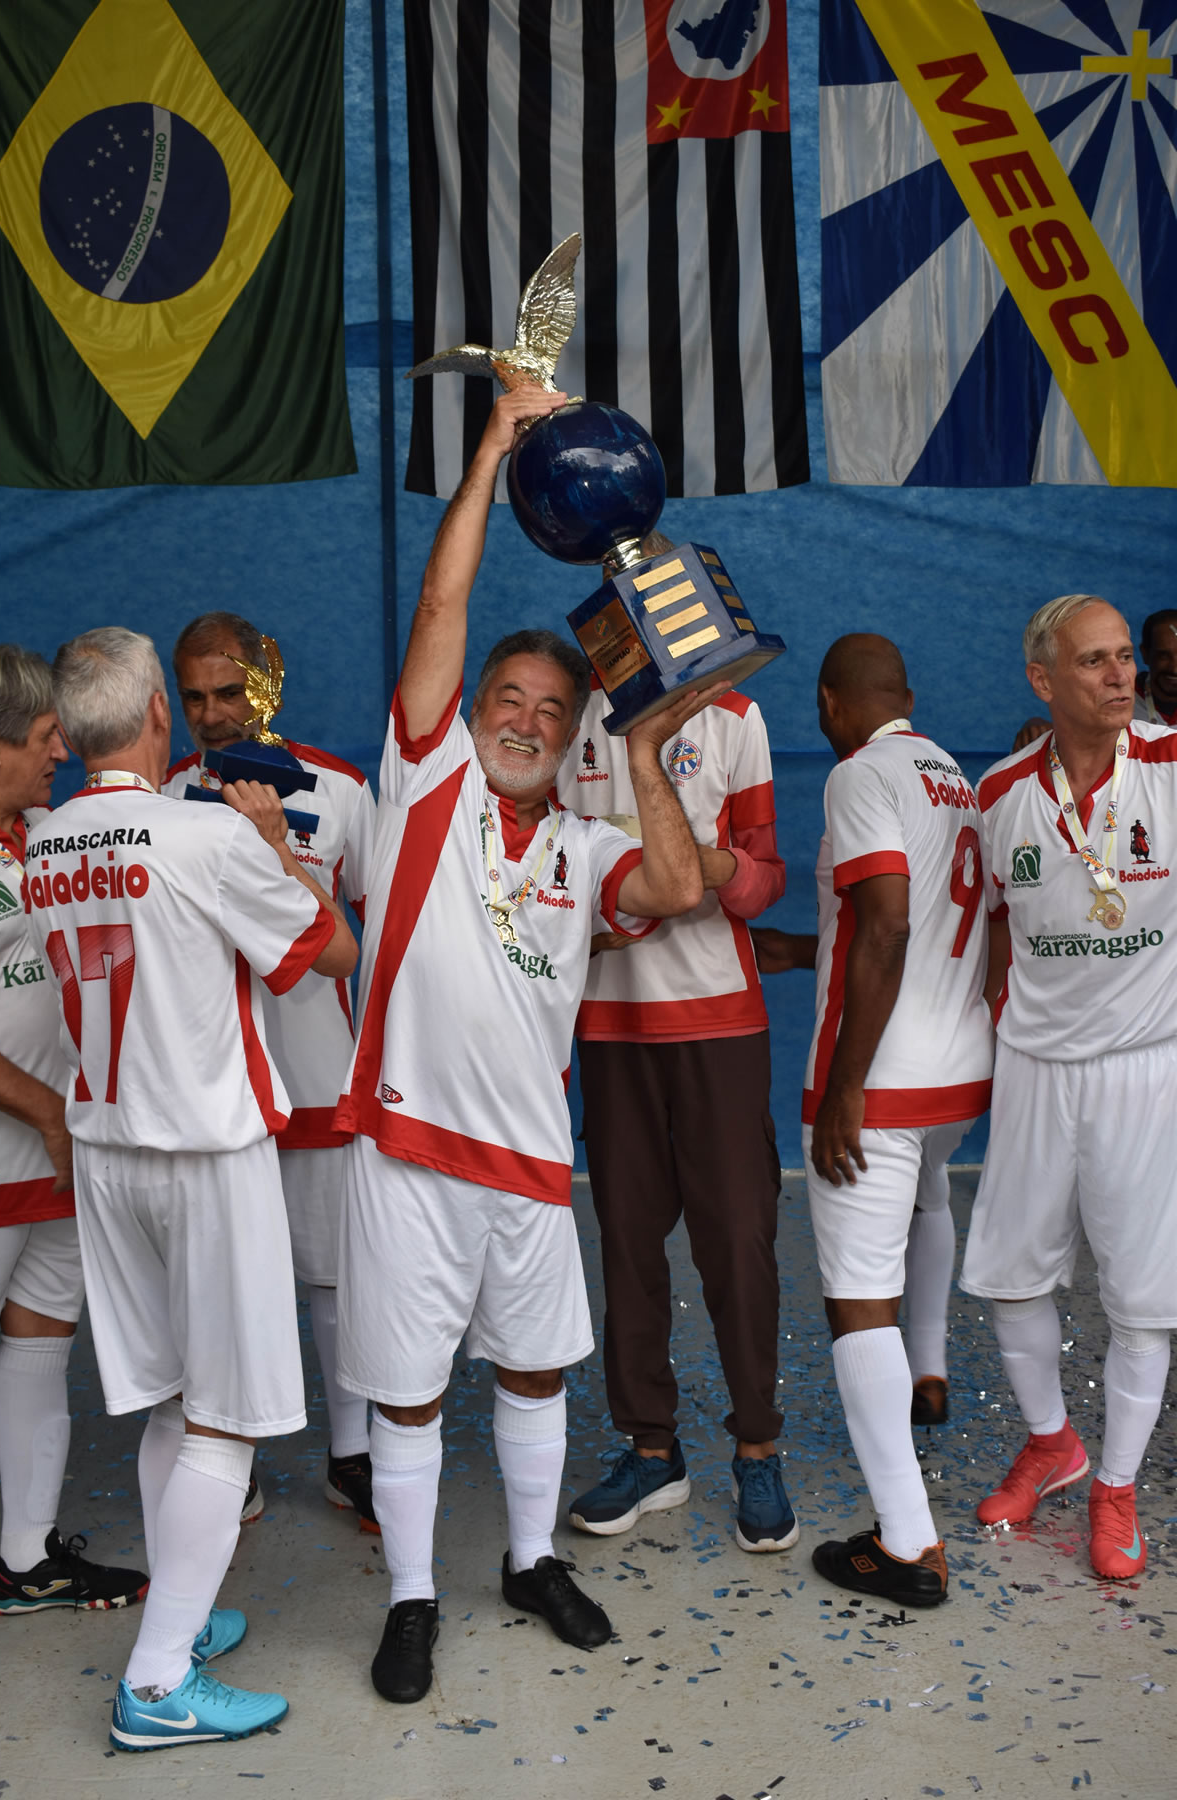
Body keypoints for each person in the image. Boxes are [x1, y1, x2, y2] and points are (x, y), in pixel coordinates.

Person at [333, 386, 715, 1705]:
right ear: (470, 709)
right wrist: (495, 454)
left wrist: (646, 743)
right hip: (410, 1155)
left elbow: (679, 889)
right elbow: (441, 610)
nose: (528, 720)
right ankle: (413, 1596)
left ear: (571, 733)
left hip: (533, 1165)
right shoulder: (425, 786)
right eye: (510, 697)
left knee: (538, 1373)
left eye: (555, 710)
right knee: (410, 1397)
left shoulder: (586, 846)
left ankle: (533, 1560)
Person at [24, 627, 356, 1749]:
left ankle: (183, 1616)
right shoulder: (208, 834)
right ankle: (157, 1684)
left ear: (71, 731)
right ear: (159, 712)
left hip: (108, 1151)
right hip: (205, 1152)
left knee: (173, 1399)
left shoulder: (44, 841)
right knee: (223, 1417)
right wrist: (275, 846)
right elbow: (334, 953)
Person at [753, 635, 993, 1608]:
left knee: (856, 1300)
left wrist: (846, 1084)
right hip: (957, 1071)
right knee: (929, 1201)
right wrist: (801, 949)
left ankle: (906, 1543)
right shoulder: (952, 777)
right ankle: (928, 1371)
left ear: (828, 702)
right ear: (907, 695)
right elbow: (909, 925)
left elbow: (889, 922)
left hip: (883, 1082)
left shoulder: (859, 774)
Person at [961, 593, 1177, 1581]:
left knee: (1142, 1298)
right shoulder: (1000, 792)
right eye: (1095, 660)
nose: (1121, 674)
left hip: (1145, 1066)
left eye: (1125, 656)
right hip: (1036, 1067)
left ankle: (1117, 1487)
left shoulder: (1170, 765)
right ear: (1042, 679)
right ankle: (1053, 1444)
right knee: (1011, 1275)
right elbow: (991, 934)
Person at [557, 678, 793, 1552]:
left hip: (719, 1022)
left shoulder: (733, 715)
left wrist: (712, 868)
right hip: (608, 1023)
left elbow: (765, 880)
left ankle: (757, 1447)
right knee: (626, 1242)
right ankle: (651, 1448)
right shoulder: (566, 715)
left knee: (737, 1240)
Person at [163, 612, 379, 1534]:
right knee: (216, 1288)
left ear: (267, 683)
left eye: (228, 691)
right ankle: (230, 1461)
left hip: (320, 1071)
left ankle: (351, 1455)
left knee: (334, 1277)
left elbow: (379, 940)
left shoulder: (342, 790)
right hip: (211, 1088)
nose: (212, 714)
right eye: (194, 697)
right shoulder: (162, 799)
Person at [0, 645, 150, 1618]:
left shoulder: (44, 837)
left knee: (43, 1336)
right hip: (1, 1154)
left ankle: (27, 1558)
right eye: (46, 738)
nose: (60, 752)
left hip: (62, 1152)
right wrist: (48, 1111)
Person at [1013, 605, 1177, 748]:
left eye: (1125, 657)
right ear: (1145, 653)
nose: (1174, 668)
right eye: (1163, 656)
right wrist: (1039, 728)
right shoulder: (1116, 695)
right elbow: (1073, 730)